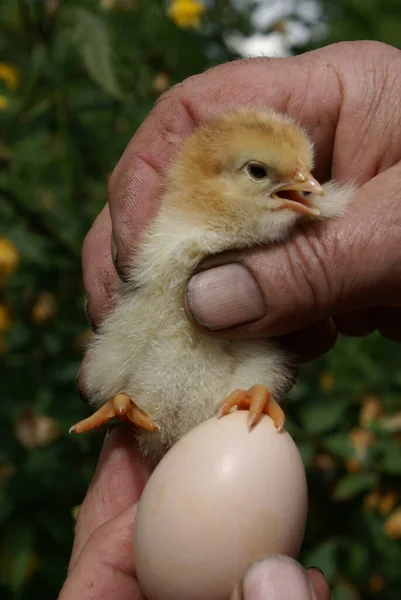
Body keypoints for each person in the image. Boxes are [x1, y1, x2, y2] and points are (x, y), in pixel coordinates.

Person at [60, 40, 401, 600]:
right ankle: (134, 401)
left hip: (224, 407)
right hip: (164, 411)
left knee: (249, 398)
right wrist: (120, 386)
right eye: (261, 172)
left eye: (304, 173)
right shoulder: (175, 234)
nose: (307, 185)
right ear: (213, 179)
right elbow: (135, 330)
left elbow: (329, 207)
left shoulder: (293, 217)